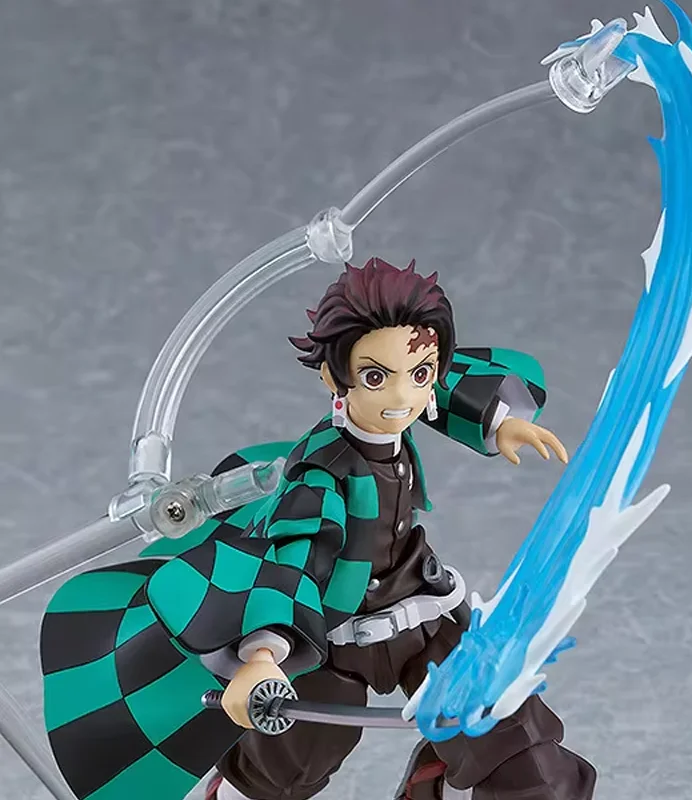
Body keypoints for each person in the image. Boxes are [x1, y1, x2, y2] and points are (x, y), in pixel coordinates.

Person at [39, 257, 596, 800]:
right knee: (283, 772)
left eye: (419, 375)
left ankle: (447, 777)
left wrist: (499, 422)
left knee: (511, 738)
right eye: (375, 377)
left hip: (421, 618)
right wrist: (261, 656)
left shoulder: (402, 406)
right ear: (336, 377)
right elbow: (290, 564)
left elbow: (433, 380)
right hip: (330, 640)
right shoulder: (322, 475)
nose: (401, 397)